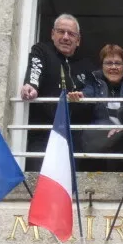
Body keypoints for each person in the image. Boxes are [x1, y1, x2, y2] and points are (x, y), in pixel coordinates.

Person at [19, 13, 92, 164]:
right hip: (43, 133)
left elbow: (93, 89)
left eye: (71, 34)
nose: (65, 37)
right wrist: (31, 85)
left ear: (78, 41)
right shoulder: (42, 50)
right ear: (52, 34)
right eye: (61, 31)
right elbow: (35, 68)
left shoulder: (85, 64)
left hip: (74, 136)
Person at [80, 44, 123, 172]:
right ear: (102, 65)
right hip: (101, 138)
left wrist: (122, 128)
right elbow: (87, 94)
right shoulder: (94, 81)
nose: (113, 67)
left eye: (118, 63)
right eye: (108, 63)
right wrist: (80, 96)